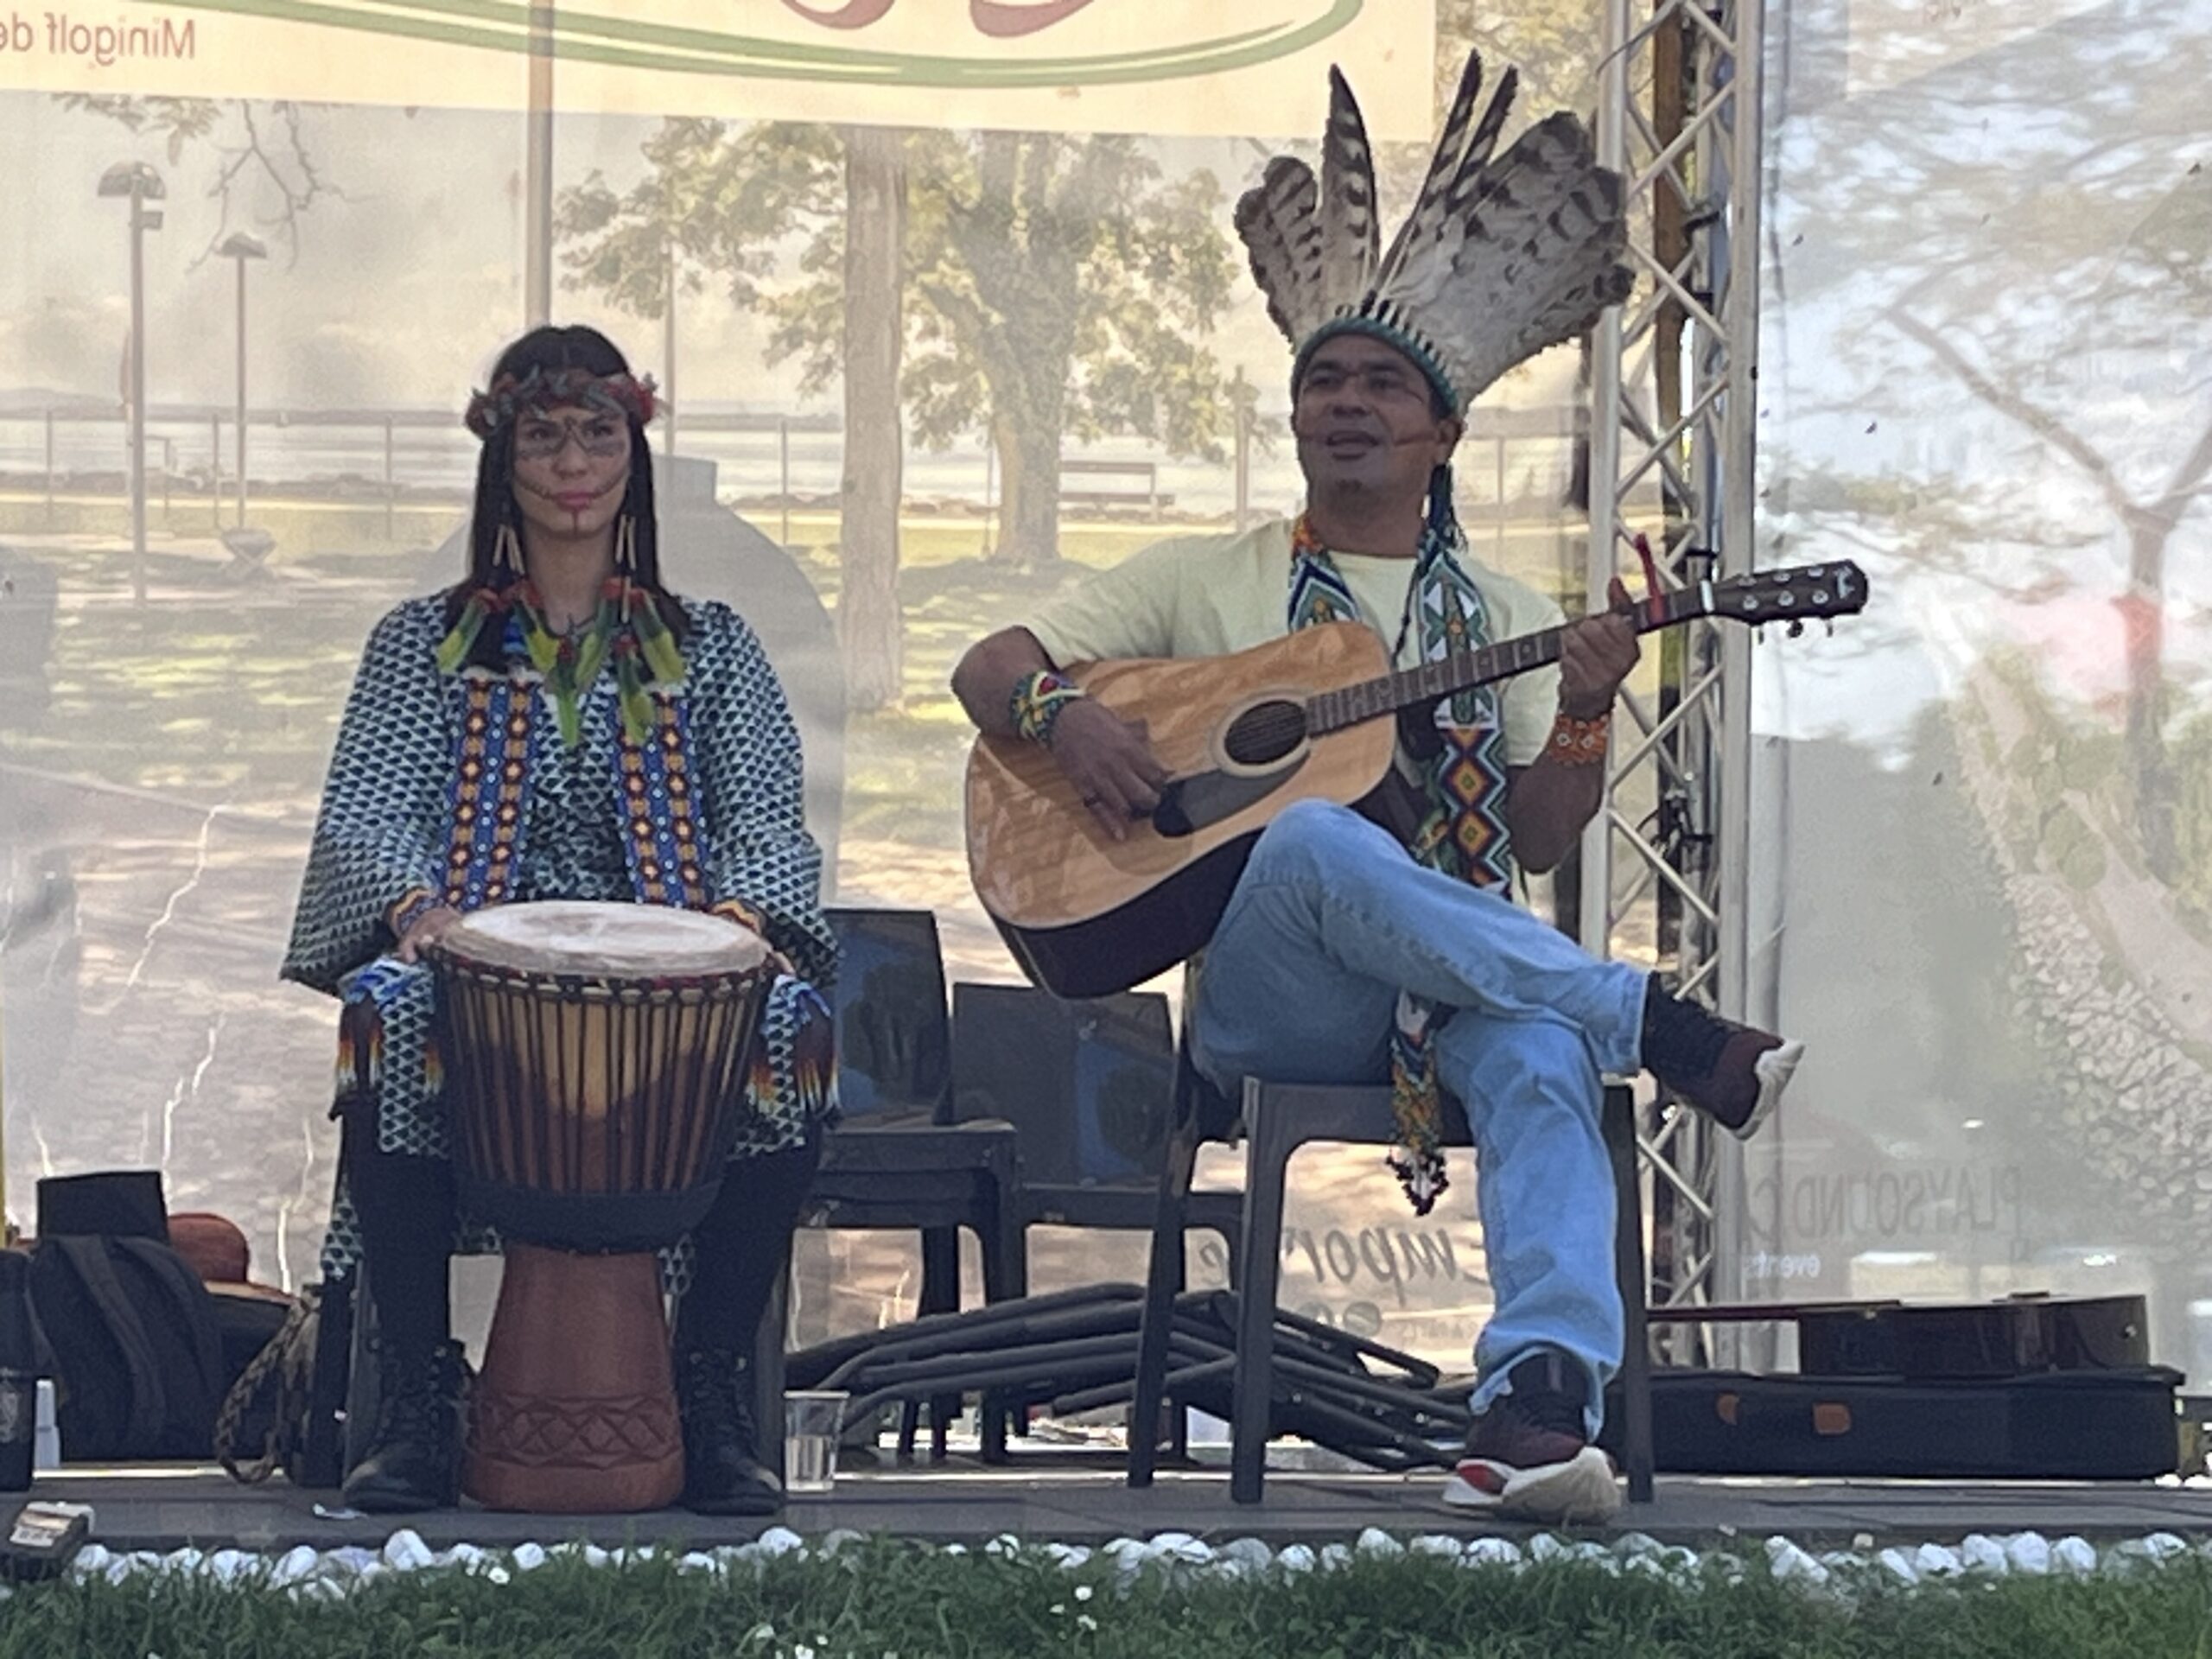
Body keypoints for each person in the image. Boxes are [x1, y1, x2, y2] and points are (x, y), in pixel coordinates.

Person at [951, 56, 1802, 1524]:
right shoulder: (1204, 575)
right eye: (1323, 382)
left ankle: (1536, 1408)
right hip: (1275, 995)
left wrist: (1589, 711)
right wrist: (1068, 716)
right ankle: (1654, 1023)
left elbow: (1535, 839)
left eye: (1383, 386)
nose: (1347, 403)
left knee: (1535, 1056)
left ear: (1444, 431)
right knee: (1301, 834)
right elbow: (986, 664)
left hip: (1462, 971)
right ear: (1297, 421)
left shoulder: (1507, 604)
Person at [283, 325, 836, 1516]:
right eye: (545, 434)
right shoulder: (422, 648)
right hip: (478, 991)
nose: (573, 461)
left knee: (793, 1025)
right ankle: (423, 1399)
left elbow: (772, 826)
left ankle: (706, 1391)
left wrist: (736, 927)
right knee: (384, 1011)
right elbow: (369, 815)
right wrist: (420, 916)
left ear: (632, 454)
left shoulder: (715, 652)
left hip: (677, 998)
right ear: (504, 456)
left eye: (598, 432)